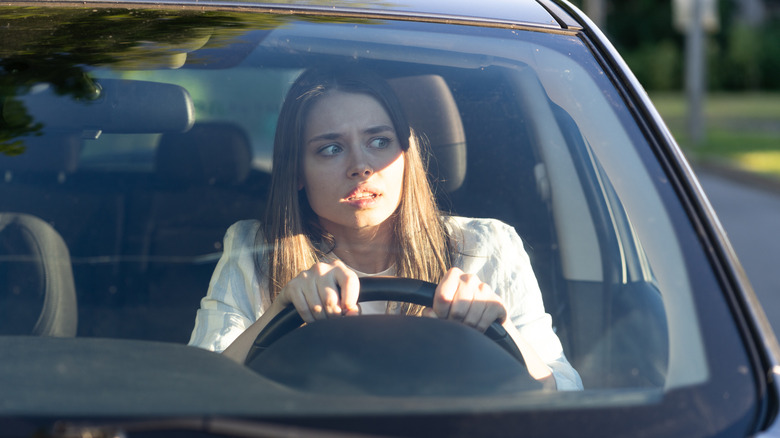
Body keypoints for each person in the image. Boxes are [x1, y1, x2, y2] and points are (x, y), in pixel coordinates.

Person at [188, 67, 582, 391]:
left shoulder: (487, 248)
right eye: (331, 148)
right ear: (296, 172)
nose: (361, 166)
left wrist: (501, 329)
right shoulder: (255, 252)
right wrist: (278, 312)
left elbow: (564, 395)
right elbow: (195, 392)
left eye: (379, 141)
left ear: (407, 156)